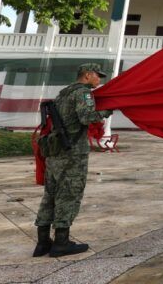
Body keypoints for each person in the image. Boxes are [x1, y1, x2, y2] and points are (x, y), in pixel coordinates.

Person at [33, 62, 112, 258]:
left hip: (54, 152)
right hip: (72, 153)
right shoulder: (83, 93)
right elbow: (87, 117)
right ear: (87, 75)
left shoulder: (64, 93)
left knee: (50, 196)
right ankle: (61, 243)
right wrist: (108, 110)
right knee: (69, 194)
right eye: (97, 75)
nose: (99, 79)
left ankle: (43, 243)